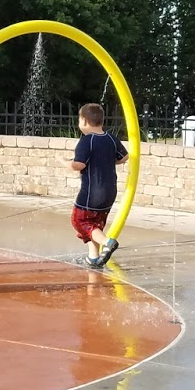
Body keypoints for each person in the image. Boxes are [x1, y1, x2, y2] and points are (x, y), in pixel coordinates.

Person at [70, 102, 127, 268]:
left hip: (92, 193)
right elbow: (124, 157)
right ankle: (93, 258)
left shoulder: (87, 141)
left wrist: (67, 163)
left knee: (79, 221)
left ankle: (107, 243)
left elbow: (79, 164)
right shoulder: (111, 138)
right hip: (109, 193)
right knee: (95, 225)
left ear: (85, 121)